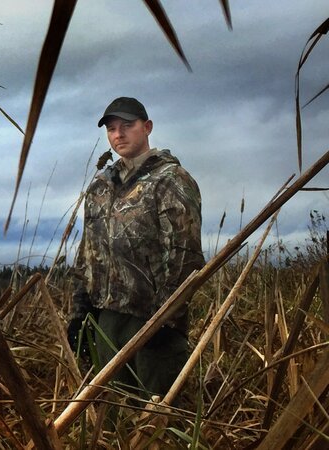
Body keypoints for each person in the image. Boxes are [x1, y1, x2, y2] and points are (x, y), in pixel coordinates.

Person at [68, 97, 205, 399]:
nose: (118, 135)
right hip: (107, 320)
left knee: (160, 418)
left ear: (147, 127)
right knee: (117, 420)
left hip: (152, 324)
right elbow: (87, 253)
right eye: (112, 129)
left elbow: (186, 258)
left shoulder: (171, 180)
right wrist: (80, 313)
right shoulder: (100, 187)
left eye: (127, 126)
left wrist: (166, 322)